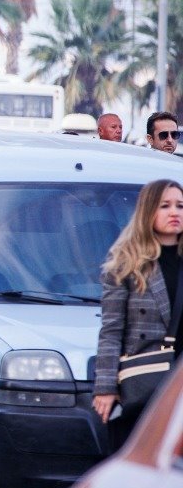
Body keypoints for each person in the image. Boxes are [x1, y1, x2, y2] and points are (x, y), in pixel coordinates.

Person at [93, 179, 183, 447]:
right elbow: (111, 331)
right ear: (148, 212)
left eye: (180, 205)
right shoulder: (126, 264)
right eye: (165, 206)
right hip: (147, 383)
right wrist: (106, 387)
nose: (175, 212)